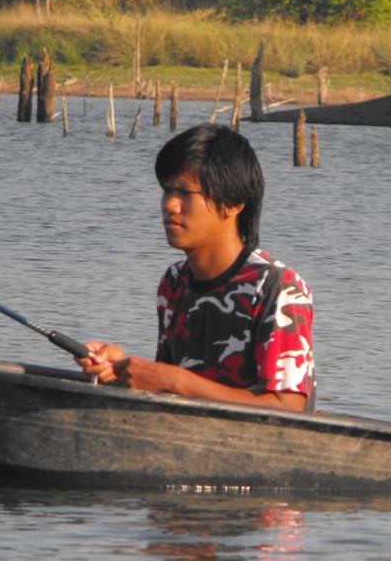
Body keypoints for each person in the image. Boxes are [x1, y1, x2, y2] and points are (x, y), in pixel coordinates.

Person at [78, 124, 315, 412]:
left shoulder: (278, 287)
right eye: (167, 191)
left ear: (233, 203)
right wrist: (121, 371)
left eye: (185, 193)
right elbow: (169, 391)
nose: (170, 205)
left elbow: (289, 408)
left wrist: (174, 380)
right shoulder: (175, 281)